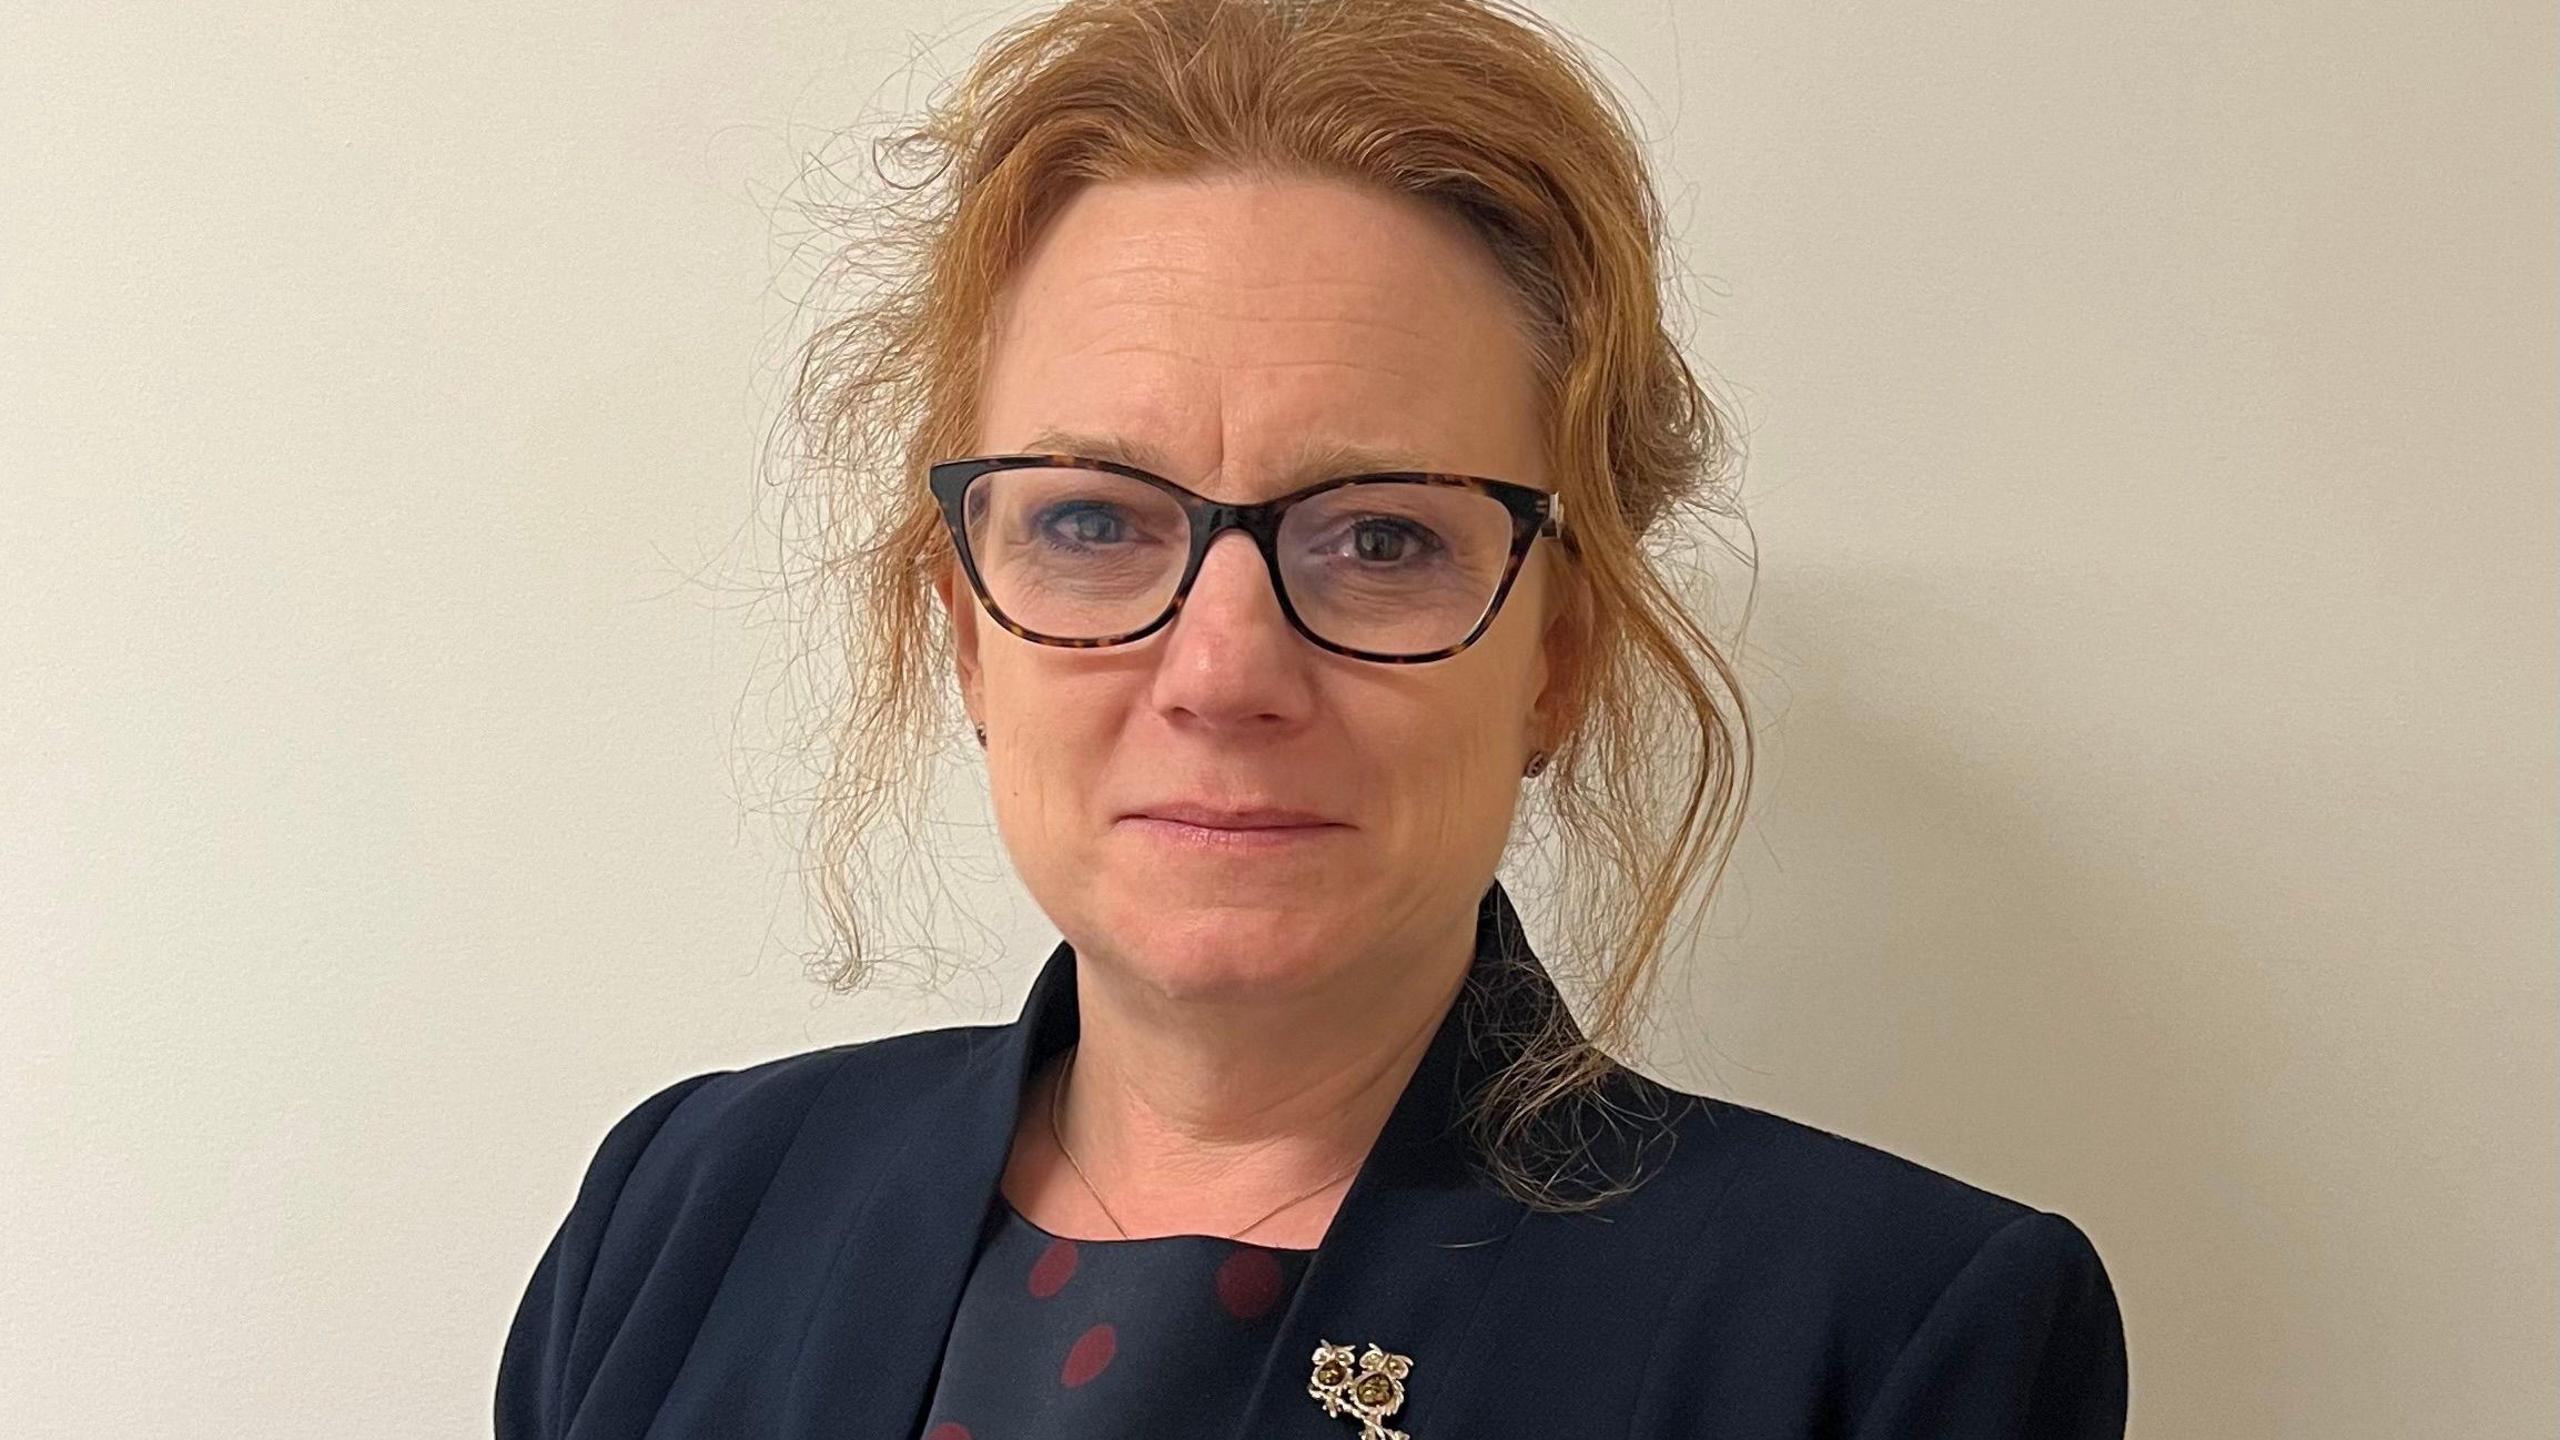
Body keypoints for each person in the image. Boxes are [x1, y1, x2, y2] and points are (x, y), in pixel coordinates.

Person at [496, 1, 2129, 1436]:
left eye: (1382, 537)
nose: (1221, 672)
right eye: (1090, 520)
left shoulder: (1888, 1338)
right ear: (965, 628)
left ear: (1558, 653)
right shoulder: (690, 1213)